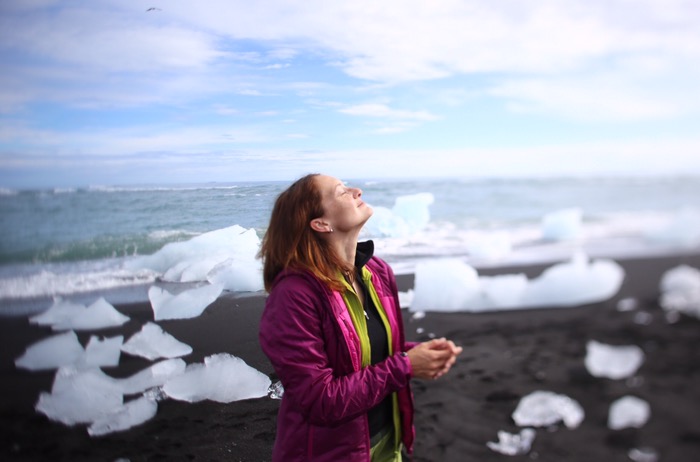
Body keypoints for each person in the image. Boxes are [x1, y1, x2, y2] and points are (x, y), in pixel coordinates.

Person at [258, 173, 463, 461]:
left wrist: (421, 355)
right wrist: (405, 365)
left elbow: (367, 353)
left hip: (387, 444)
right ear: (321, 224)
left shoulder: (377, 272)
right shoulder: (294, 296)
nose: (357, 191)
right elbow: (320, 400)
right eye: (341, 191)